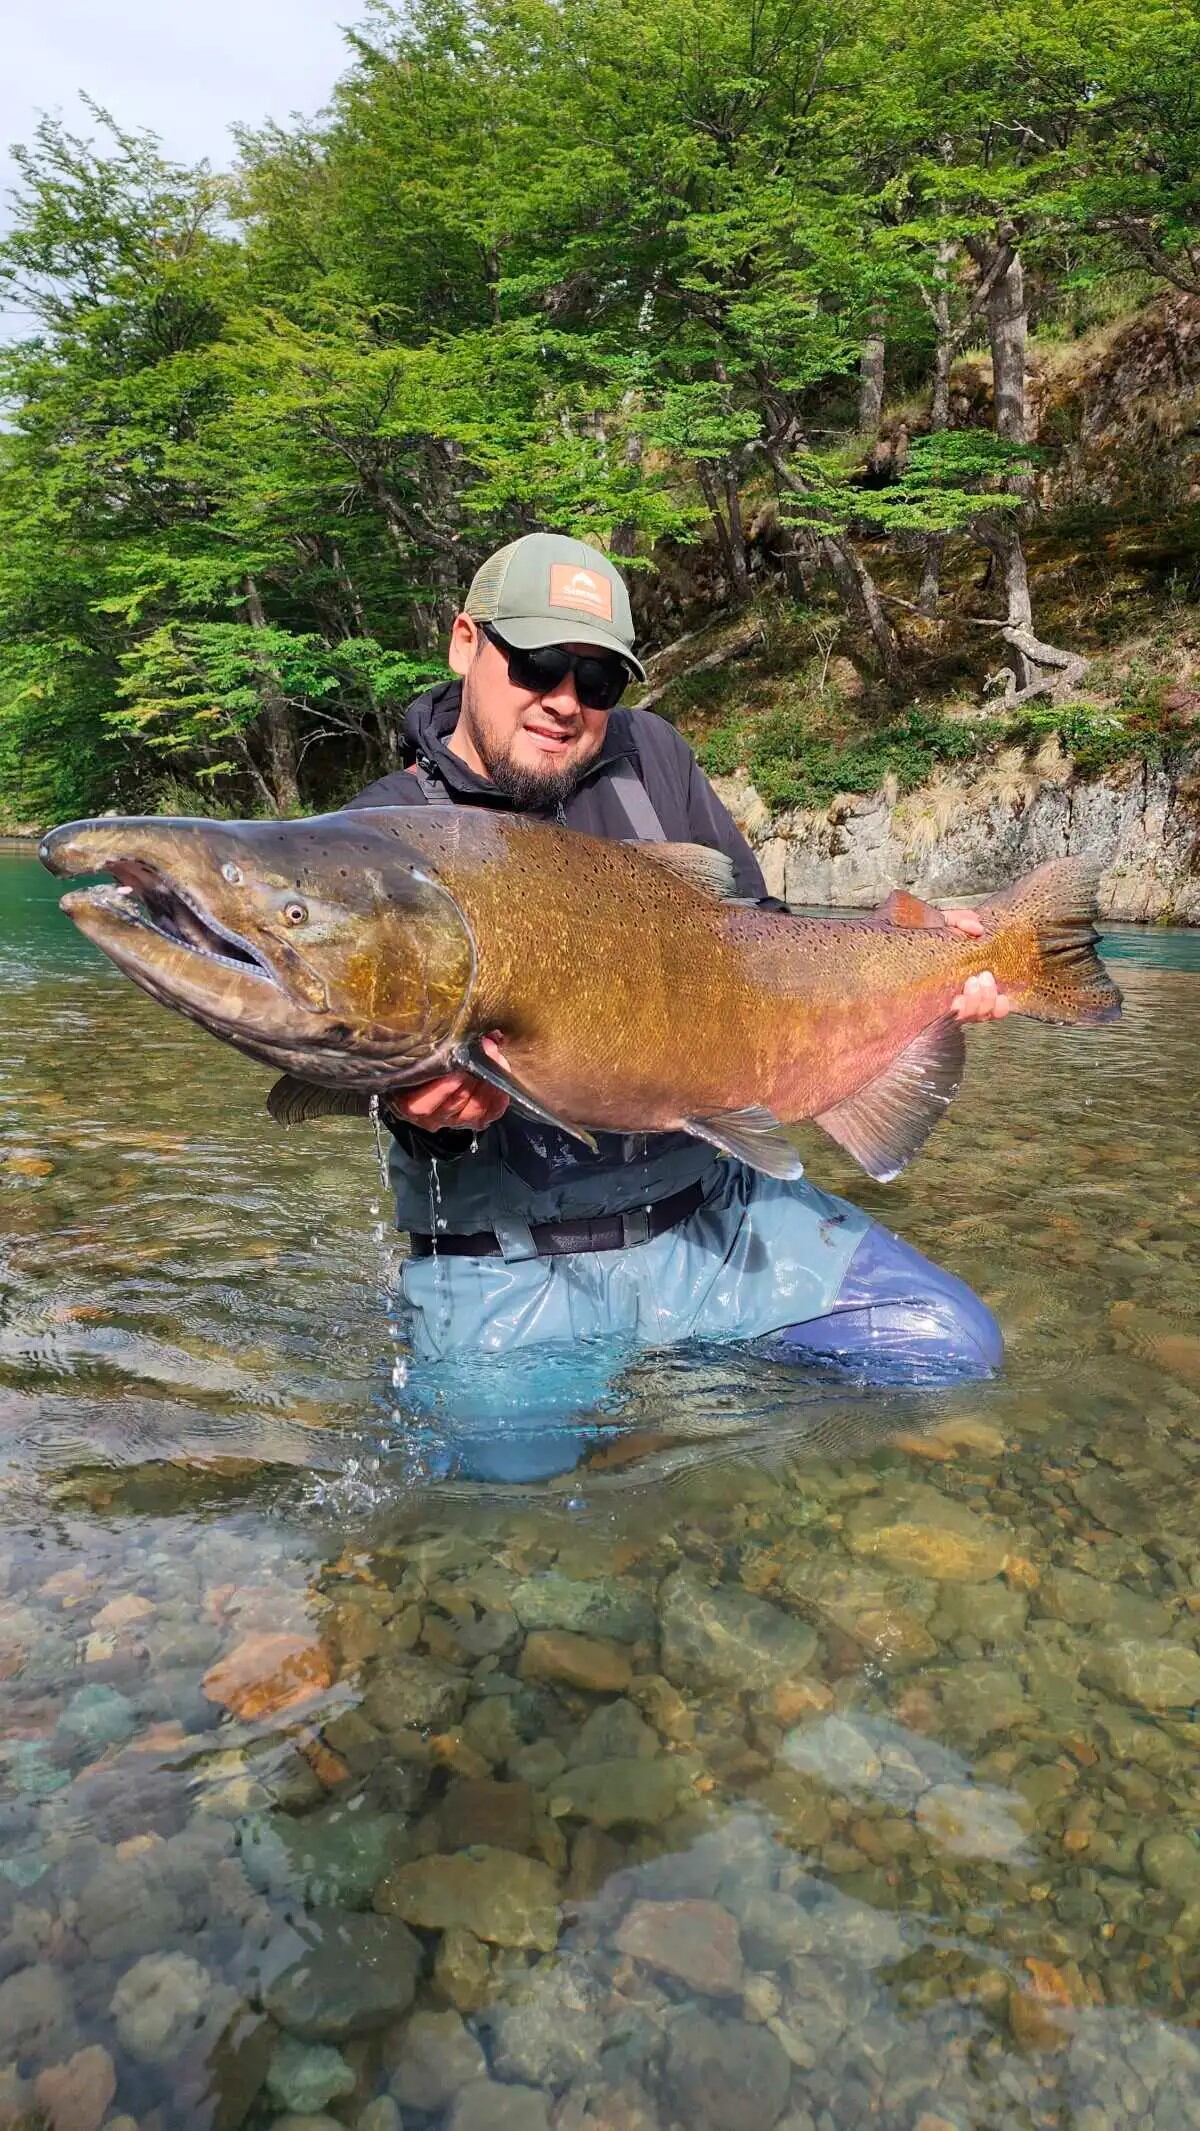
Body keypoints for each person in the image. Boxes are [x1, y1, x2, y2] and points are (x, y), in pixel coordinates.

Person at [348, 533, 1007, 1480]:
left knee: (949, 1347)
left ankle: (703, 1410)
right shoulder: (381, 838)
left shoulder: (652, 758)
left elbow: (765, 940)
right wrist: (420, 1111)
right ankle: (676, 1417)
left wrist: (918, 955)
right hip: (510, 1261)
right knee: (508, 1512)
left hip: (713, 1215)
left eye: (599, 679)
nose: (565, 699)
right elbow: (322, 1053)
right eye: (536, 663)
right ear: (465, 644)